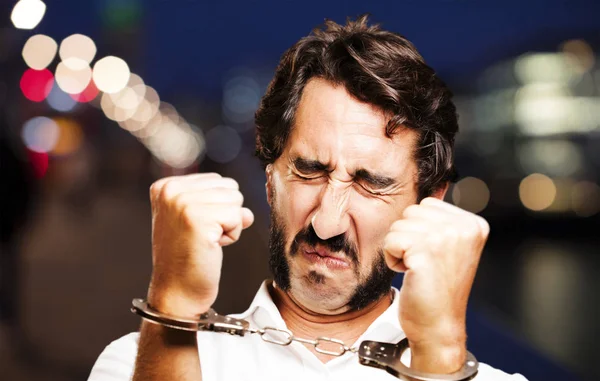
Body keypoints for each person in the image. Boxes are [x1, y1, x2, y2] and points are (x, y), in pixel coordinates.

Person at [88, 15, 527, 380]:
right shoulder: (137, 363)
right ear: (268, 181)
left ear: (428, 205)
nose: (326, 225)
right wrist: (174, 303)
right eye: (309, 171)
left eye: (370, 183)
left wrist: (440, 348)